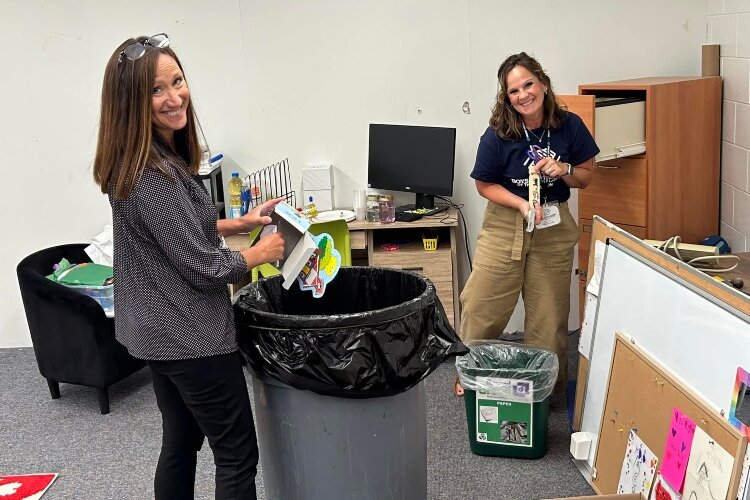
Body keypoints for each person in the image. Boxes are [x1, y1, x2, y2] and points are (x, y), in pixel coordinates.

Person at [92, 33, 285, 499]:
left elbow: (178, 227)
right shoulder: (148, 174)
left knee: (181, 441)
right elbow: (200, 266)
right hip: (190, 338)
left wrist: (240, 221)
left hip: (159, 334)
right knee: (236, 452)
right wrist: (259, 254)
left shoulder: (149, 157)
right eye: (157, 90)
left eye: (177, 81)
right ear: (131, 102)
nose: (175, 97)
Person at [457, 52, 599, 397]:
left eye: (528, 84)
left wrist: (564, 169)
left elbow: (586, 176)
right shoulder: (499, 133)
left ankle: (542, 387)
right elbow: (484, 184)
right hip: (506, 224)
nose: (523, 95)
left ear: (544, 84)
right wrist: (521, 203)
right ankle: (471, 375)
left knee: (550, 316)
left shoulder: (570, 126)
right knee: (481, 305)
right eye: (514, 90)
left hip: (552, 227)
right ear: (506, 97)